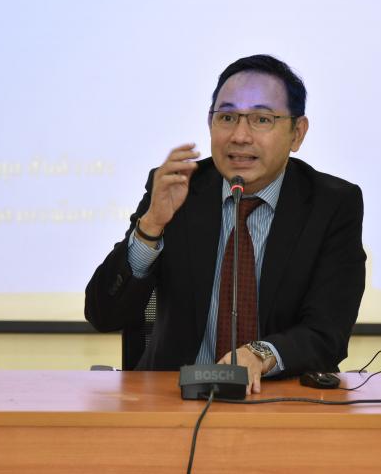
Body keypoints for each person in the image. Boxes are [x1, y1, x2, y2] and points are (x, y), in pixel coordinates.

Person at [85, 54, 366, 394]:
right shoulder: (179, 189)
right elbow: (103, 314)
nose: (240, 136)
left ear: (297, 133)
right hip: (174, 398)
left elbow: (327, 333)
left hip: (280, 400)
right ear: (210, 123)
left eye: (262, 119)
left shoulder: (331, 205)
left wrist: (261, 354)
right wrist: (151, 226)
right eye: (227, 117)